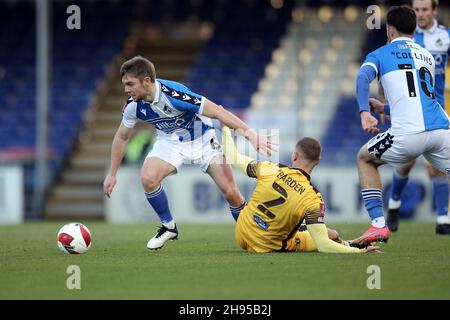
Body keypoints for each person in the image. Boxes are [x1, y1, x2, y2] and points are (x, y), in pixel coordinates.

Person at [103, 56, 276, 250]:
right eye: (125, 84)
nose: (126, 90)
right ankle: (169, 227)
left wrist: (251, 135)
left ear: (147, 81)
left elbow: (219, 112)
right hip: (170, 141)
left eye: (130, 84)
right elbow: (121, 137)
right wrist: (112, 174)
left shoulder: (175, 95)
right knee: (148, 178)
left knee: (231, 193)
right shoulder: (133, 106)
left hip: (202, 139)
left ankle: (252, 234)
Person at [353, 5, 450, 247]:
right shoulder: (426, 55)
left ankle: (378, 225)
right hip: (441, 130)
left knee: (365, 158)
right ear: (414, 28)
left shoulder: (381, 54)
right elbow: (420, 98)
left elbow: (362, 77)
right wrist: (384, 109)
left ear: (390, 30)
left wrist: (365, 111)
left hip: (409, 134)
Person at [221, 126, 380, 253]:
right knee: (330, 236)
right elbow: (323, 245)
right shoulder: (313, 198)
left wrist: (225, 126)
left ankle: (347, 243)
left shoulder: (270, 168)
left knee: (327, 232)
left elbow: (232, 156)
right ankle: (351, 245)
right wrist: (358, 254)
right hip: (266, 247)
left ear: (294, 156)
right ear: (318, 161)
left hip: (241, 234)